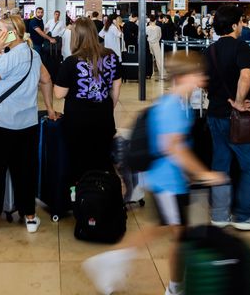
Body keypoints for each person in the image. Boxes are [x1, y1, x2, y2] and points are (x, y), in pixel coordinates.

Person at [82, 51, 227, 295]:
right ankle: (173, 287)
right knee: (178, 236)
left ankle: (115, 263)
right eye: (197, 74)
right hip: (167, 184)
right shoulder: (173, 107)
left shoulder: (177, 104)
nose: (202, 79)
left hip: (170, 182)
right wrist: (204, 174)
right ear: (182, 77)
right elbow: (174, 149)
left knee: (164, 229)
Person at [0, 15, 57, 233]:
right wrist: (49, 107)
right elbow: (46, 80)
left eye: (0, 30)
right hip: (27, 125)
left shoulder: (8, 58)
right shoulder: (33, 54)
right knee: (25, 170)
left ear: (11, 32)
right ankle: (29, 216)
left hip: (0, 123)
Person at [205, 5, 250, 231]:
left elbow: (204, 82)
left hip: (214, 114)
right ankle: (243, 215)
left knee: (220, 163)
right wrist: (239, 102)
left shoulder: (210, 50)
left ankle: (220, 215)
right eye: (241, 22)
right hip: (237, 118)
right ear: (233, 25)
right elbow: (246, 74)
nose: (242, 26)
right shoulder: (241, 46)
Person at [54, 17, 122, 182]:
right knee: (103, 160)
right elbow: (116, 86)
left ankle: (82, 199)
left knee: (79, 163)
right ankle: (103, 196)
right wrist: (108, 107)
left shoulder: (71, 62)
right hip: (104, 117)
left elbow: (59, 94)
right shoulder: (110, 56)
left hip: (77, 121)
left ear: (76, 37)